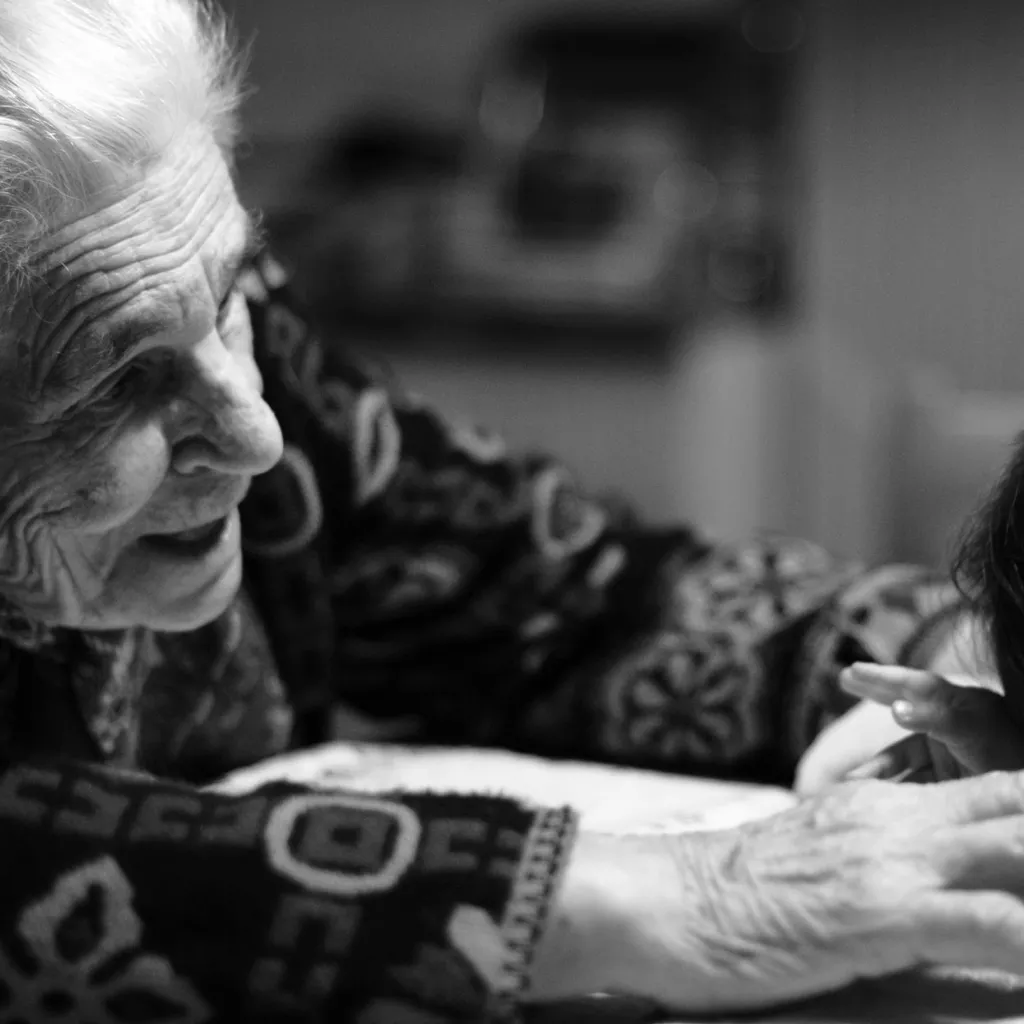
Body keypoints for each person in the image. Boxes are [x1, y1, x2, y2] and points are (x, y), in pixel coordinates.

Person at [2, 1, 1024, 1021]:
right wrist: (680, 898)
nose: (256, 435)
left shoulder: (183, 300)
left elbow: (555, 592)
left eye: (230, 300)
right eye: (113, 381)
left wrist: (957, 658)